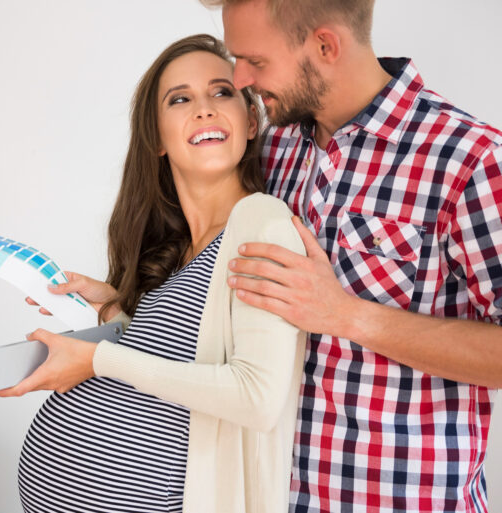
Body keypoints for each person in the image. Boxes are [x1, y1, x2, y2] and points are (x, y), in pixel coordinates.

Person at [198, 0, 501, 511]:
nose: (240, 76)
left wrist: (348, 316)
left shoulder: (470, 160)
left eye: (255, 60)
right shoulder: (277, 149)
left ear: (325, 46)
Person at [0, 34, 307, 513]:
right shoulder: (177, 248)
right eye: (180, 99)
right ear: (157, 139)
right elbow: (174, 362)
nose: (204, 109)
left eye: (221, 92)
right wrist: (111, 310)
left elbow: (257, 396)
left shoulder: (262, 222)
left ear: (249, 120)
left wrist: (95, 360)